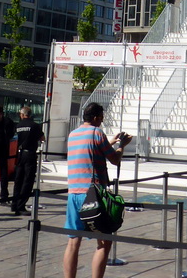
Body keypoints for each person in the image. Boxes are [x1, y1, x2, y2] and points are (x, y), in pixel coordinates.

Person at [63, 103, 132, 278]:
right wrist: (122, 145)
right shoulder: (96, 132)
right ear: (95, 118)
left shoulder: (73, 134)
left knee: (73, 242)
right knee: (104, 242)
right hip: (92, 194)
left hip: (74, 193)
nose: (101, 121)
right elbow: (114, 159)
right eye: (101, 118)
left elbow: (91, 151)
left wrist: (111, 141)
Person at [12, 106, 45, 215]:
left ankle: (14, 204)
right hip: (30, 154)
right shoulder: (35, 125)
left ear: (22, 115)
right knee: (28, 180)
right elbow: (42, 139)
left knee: (18, 180)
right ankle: (21, 205)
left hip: (20, 154)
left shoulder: (19, 125)